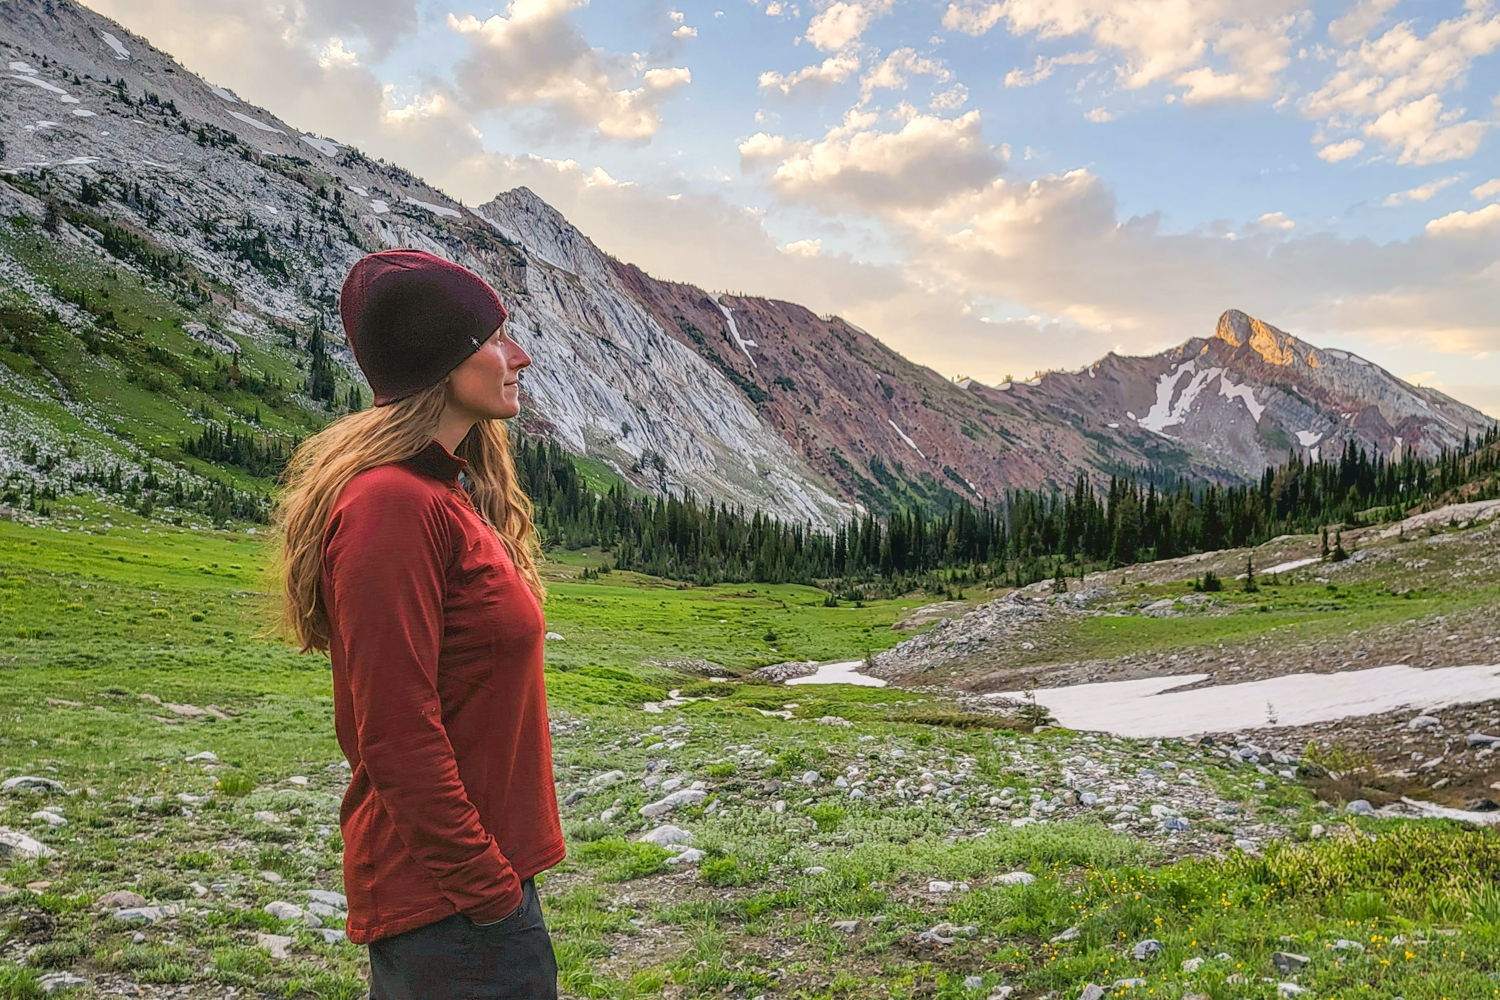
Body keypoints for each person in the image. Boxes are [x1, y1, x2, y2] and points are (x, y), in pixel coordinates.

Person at [268, 248, 565, 999]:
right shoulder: (391, 506)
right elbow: (395, 732)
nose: (517, 356)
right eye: (496, 338)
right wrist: (486, 889)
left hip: (469, 894)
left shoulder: (438, 494)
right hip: (450, 906)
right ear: (444, 361)